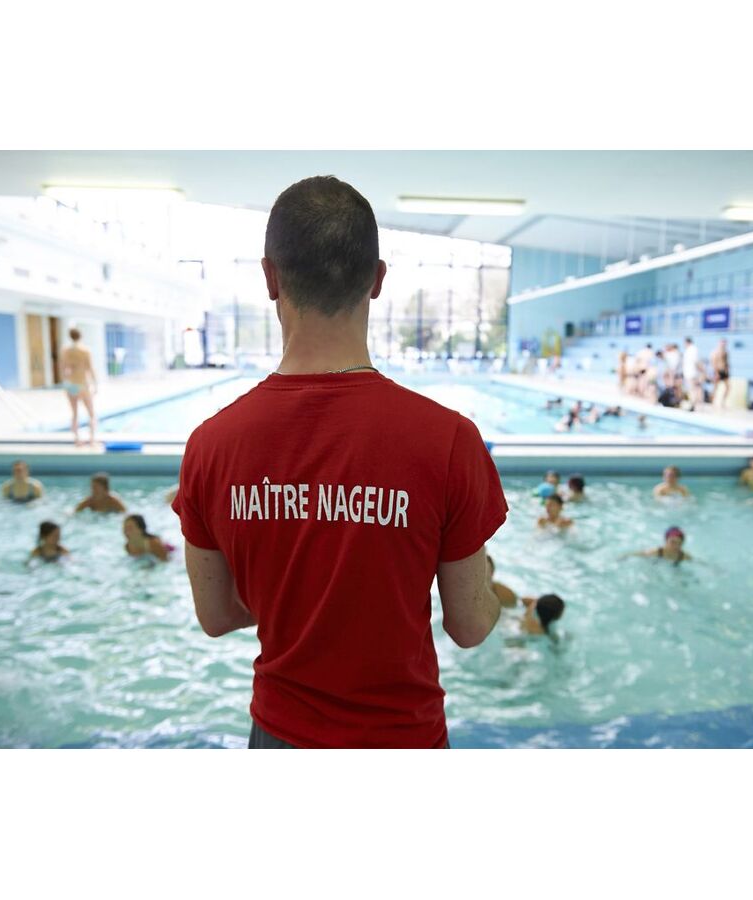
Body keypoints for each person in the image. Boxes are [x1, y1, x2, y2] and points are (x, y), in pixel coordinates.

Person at [172, 176, 508, 749]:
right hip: (403, 739)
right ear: (376, 281)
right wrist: (489, 588)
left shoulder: (211, 444)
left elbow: (217, 615)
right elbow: (470, 626)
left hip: (278, 734)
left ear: (270, 277)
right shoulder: (449, 439)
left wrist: (298, 603)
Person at [59, 327, 98, 447]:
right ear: (81, 336)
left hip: (71, 385)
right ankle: (92, 440)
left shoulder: (65, 351)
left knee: (75, 414)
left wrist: (65, 384)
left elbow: (63, 369)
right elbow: (90, 369)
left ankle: (77, 441)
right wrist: (95, 384)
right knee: (91, 414)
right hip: (82, 384)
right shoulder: (85, 351)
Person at [710, 338, 731, 408]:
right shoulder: (715, 352)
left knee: (728, 387)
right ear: (719, 343)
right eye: (722, 343)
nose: (723, 345)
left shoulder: (726, 352)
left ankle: (723, 402)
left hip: (724, 372)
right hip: (718, 371)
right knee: (715, 388)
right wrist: (716, 373)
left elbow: (726, 362)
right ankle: (712, 402)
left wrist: (727, 369)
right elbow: (713, 363)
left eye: (724, 343)